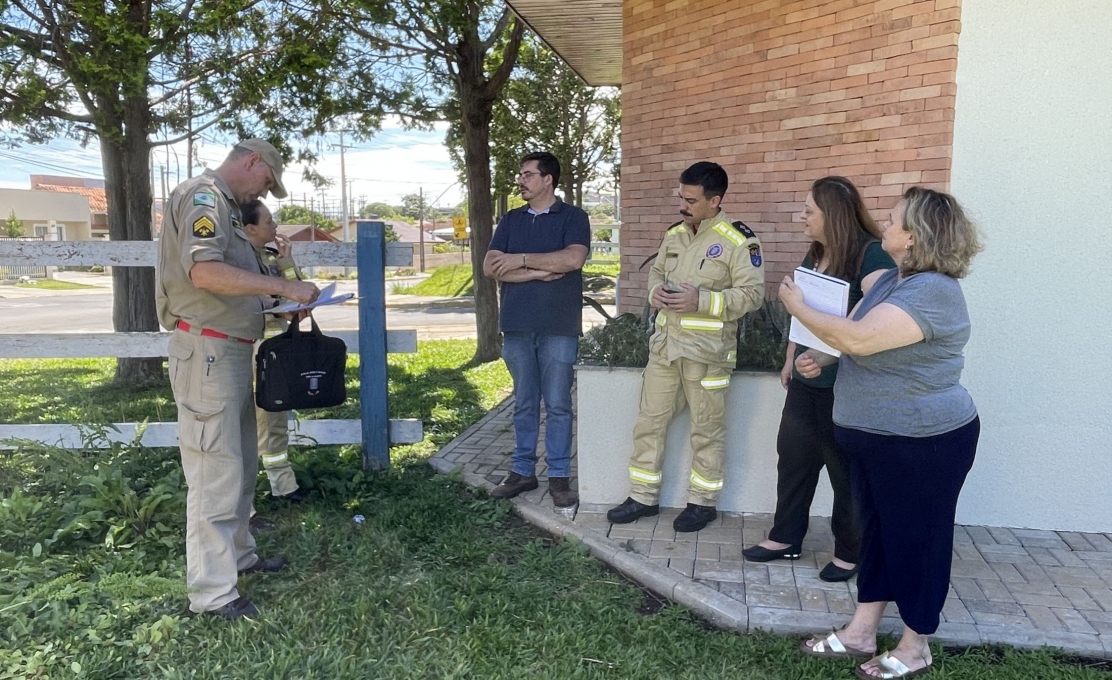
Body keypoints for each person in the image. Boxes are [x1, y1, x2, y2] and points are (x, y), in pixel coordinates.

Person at [788, 187, 983, 679]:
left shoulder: (933, 290)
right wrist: (824, 356)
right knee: (877, 534)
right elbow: (856, 338)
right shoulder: (890, 281)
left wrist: (799, 307)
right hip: (876, 439)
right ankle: (861, 631)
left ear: (913, 237)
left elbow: (859, 337)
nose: (884, 226)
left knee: (918, 540)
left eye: (893, 220)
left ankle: (916, 646)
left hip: (924, 442)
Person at [156, 139, 319, 621]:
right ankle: (212, 593)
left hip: (229, 349)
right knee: (214, 473)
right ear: (252, 162)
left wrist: (278, 303)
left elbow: (236, 287)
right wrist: (284, 286)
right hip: (207, 351)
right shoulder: (203, 197)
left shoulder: (228, 207)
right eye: (267, 180)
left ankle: (240, 556)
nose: (264, 189)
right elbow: (205, 273)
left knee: (242, 461)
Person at [742, 177, 894, 581]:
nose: (802, 217)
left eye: (809, 210)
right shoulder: (816, 255)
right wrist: (791, 357)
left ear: (834, 215)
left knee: (844, 472)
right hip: (807, 381)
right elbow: (801, 317)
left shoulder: (872, 256)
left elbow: (876, 323)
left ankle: (850, 551)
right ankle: (786, 537)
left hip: (847, 386)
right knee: (793, 458)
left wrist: (827, 356)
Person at [606, 161, 764, 533]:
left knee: (706, 430)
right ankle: (642, 497)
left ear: (715, 200)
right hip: (665, 349)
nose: (683, 204)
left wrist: (702, 300)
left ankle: (702, 503)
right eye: (681, 196)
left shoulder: (739, 240)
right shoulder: (675, 234)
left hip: (707, 355)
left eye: (691, 199)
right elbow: (656, 273)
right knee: (649, 423)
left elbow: (753, 294)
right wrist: (654, 291)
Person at [484, 152, 591, 508]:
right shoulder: (511, 220)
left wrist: (520, 259)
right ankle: (522, 472)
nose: (521, 180)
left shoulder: (574, 217)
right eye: (521, 174)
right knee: (524, 403)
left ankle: (559, 477)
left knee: (559, 404)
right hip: (516, 325)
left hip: (559, 326)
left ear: (548, 179)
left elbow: (573, 259)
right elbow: (490, 267)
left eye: (528, 174)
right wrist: (539, 272)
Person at [240, 199, 308, 508]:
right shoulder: (235, 263)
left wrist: (286, 260)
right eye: (269, 221)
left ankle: (283, 485)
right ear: (250, 228)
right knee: (242, 426)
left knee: (275, 418)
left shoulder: (271, 258)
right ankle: (244, 501)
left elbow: (297, 295)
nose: (275, 226)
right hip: (244, 353)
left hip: (276, 356)